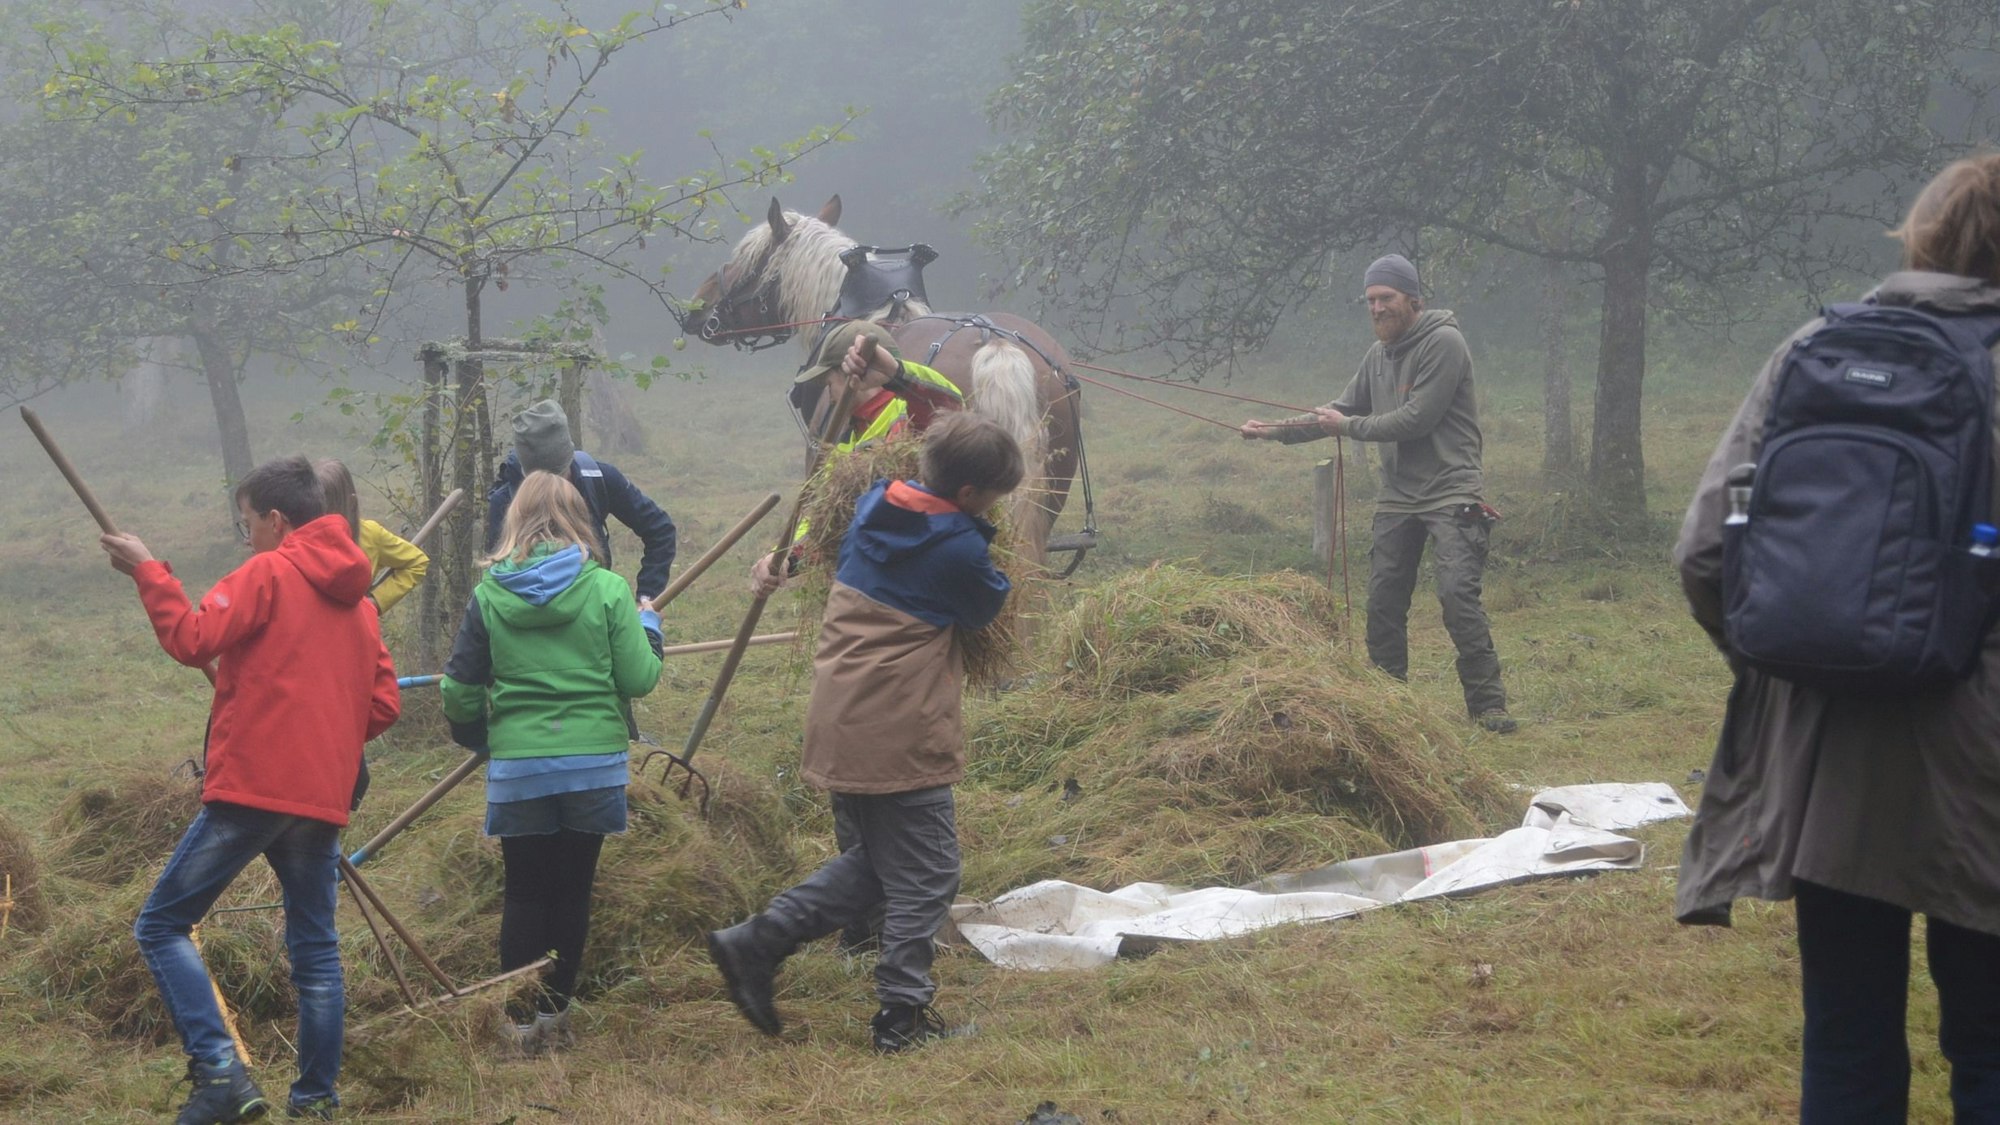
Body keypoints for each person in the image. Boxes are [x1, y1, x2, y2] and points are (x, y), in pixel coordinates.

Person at [1673, 154, 2000, 1123]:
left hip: (1826, 764)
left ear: (1921, 236)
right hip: (1982, 774)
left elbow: (1700, 552)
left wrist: (1791, 661)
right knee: (1987, 1047)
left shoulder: (1810, 348)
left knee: (1846, 1038)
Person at [707, 411, 1023, 1054]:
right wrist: (984, 545)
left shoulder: (873, 504)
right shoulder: (958, 549)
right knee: (930, 872)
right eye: (993, 498)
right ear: (967, 497)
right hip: (896, 728)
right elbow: (985, 603)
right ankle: (900, 1017)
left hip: (841, 714)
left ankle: (757, 942)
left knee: (880, 865)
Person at [99, 455, 400, 1124]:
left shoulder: (269, 571)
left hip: (255, 787)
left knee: (162, 923)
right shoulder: (359, 602)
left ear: (276, 519)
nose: (248, 539)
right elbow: (381, 706)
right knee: (316, 951)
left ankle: (221, 1074)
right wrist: (318, 722)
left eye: (247, 525)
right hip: (321, 797)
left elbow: (192, 636)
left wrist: (150, 569)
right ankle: (316, 1100)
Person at [1240, 253, 1514, 733]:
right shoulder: (1377, 356)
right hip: (1398, 496)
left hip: (1452, 489)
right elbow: (1338, 410)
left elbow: (1416, 419)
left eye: (1386, 298)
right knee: (1384, 599)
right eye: (1370, 300)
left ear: (1413, 299)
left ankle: (1488, 705)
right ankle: (1390, 704)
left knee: (1455, 595)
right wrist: (1272, 430)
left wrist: (1346, 426)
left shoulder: (1444, 343)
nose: (1377, 308)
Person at [441, 470, 665, 1056]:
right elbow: (640, 677)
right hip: (593, 769)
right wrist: (650, 626)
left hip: (521, 770)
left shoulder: (490, 595)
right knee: (572, 891)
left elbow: (458, 687)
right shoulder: (609, 590)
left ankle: (517, 1026)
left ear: (514, 520)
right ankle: (555, 1019)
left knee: (524, 892)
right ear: (580, 521)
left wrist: (477, 737)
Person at [487, 400, 678, 602]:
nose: (554, 491)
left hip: (595, 614)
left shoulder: (598, 479)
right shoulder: (505, 502)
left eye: (560, 479)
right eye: (541, 484)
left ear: (568, 459)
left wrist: (647, 598)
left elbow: (660, 529)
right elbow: (499, 576)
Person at [795, 318, 964, 456]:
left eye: (829, 384)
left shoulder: (909, 420)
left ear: (852, 374)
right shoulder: (851, 434)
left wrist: (896, 372)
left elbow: (948, 408)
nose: (830, 397)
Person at [316, 459, 429, 614]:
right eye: (318, 508)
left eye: (330, 509)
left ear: (351, 503)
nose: (323, 517)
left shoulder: (370, 534)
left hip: (356, 632)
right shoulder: (298, 536)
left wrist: (376, 601)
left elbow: (417, 562)